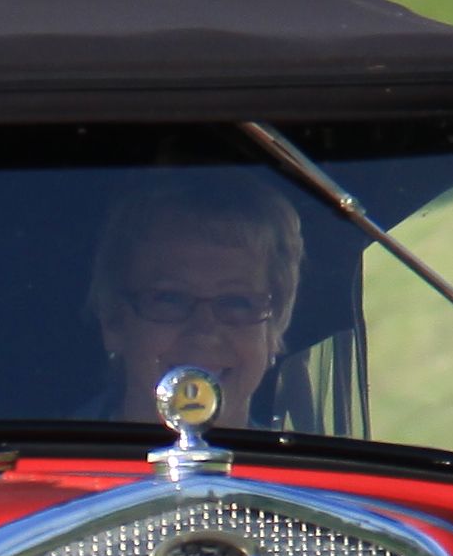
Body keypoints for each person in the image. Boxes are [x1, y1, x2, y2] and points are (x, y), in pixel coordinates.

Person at [84, 175, 305, 426]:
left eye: (237, 302)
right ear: (113, 322)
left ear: (274, 329)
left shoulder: (313, 465)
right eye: (170, 298)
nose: (205, 330)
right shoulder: (44, 457)